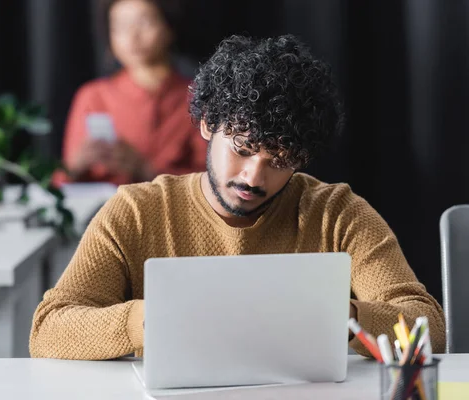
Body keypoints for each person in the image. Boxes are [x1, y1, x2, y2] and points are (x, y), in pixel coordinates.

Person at [31, 34, 445, 360]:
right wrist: (145, 321)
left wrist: (348, 319)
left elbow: (431, 330)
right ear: (208, 124)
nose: (253, 176)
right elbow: (49, 329)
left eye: (279, 161)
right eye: (242, 149)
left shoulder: (338, 213)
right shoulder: (138, 211)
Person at [53, 0, 206, 187]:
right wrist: (75, 167)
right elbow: (61, 184)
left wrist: (147, 170)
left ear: (169, 27)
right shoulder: (92, 96)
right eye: (120, 26)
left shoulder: (196, 97)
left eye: (144, 23)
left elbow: (209, 180)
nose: (132, 37)